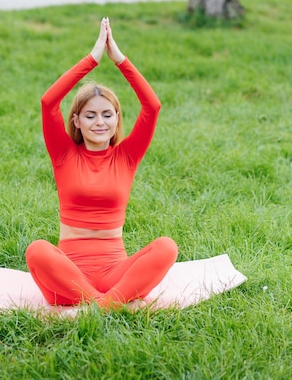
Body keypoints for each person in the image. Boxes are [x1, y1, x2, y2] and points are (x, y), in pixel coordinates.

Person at [25, 18, 178, 308]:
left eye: (107, 114)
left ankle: (97, 307)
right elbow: (48, 102)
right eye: (90, 115)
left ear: (117, 119)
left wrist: (119, 60)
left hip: (115, 275)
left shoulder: (127, 155)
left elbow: (152, 106)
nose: (99, 122)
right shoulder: (63, 153)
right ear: (77, 121)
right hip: (67, 274)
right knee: (37, 251)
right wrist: (92, 59)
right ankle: (107, 306)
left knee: (167, 247)